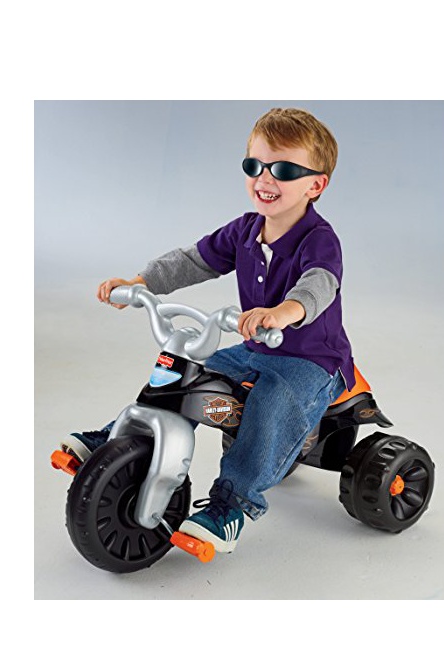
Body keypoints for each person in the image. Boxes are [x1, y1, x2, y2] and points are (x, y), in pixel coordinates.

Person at [60, 107, 356, 554]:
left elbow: (320, 285)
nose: (264, 179)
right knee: (187, 373)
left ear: (315, 185)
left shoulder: (319, 239)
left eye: (283, 170)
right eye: (254, 166)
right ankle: (118, 439)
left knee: (270, 403)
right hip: (257, 347)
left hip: (311, 360)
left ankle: (233, 504)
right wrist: (141, 283)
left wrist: (285, 311)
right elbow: (194, 260)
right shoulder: (245, 230)